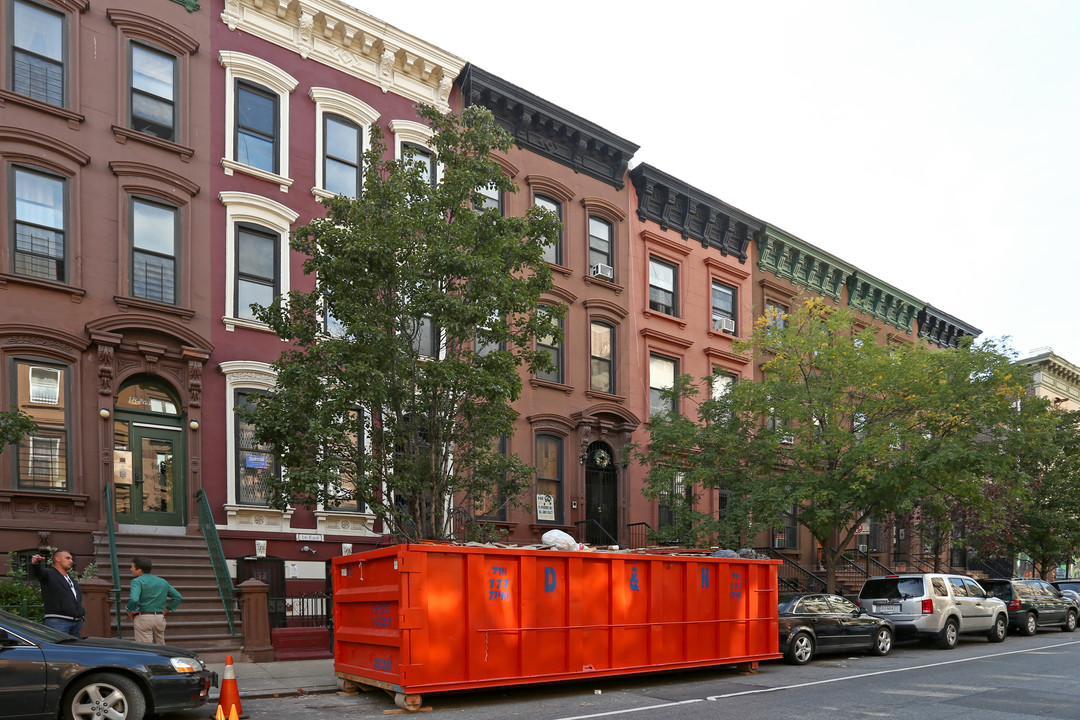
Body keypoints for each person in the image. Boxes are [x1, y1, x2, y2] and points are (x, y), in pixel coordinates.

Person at [125, 556, 182, 645]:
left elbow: (134, 599)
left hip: (143, 618)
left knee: (145, 649)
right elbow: (178, 597)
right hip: (159, 618)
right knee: (161, 648)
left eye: (132, 567)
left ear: (139, 570)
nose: (130, 569)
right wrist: (166, 610)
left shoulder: (137, 581)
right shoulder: (162, 581)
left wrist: (129, 610)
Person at [30, 550, 85, 637]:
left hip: (76, 622)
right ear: (57, 559)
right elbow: (38, 573)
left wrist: (81, 616)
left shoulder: (71, 579)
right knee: (58, 649)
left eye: (71, 559)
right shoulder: (49, 574)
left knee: (73, 649)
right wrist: (36, 564)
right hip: (58, 621)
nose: (71, 561)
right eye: (67, 558)